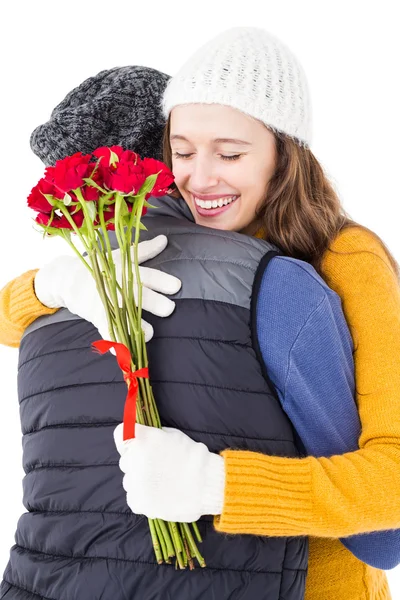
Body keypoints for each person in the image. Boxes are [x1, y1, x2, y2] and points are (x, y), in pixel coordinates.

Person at [0, 27, 399, 600]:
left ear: (286, 153)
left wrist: (220, 485)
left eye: (230, 154)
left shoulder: (344, 259)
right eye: (182, 152)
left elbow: (392, 492)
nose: (199, 178)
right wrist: (53, 284)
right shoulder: (176, 253)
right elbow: (9, 325)